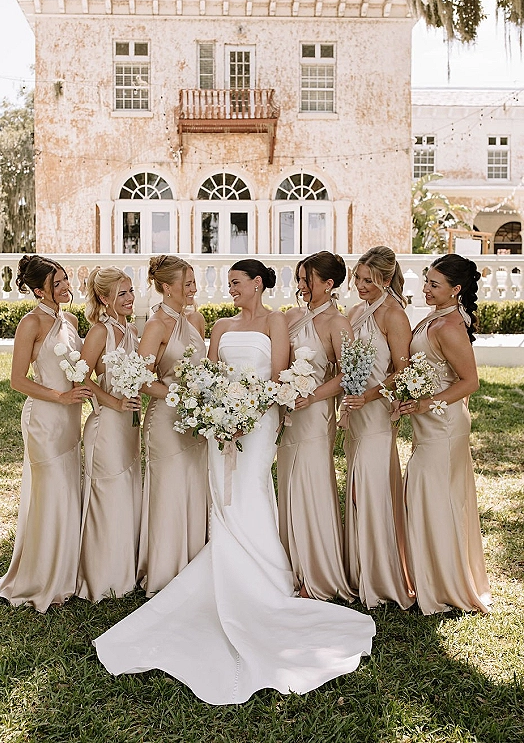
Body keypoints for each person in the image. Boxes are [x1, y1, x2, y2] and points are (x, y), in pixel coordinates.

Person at [94, 259, 375, 706]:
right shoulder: (220, 326)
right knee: (221, 495)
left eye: (236, 283)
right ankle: (225, 566)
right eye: (227, 284)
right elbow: (206, 376)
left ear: (257, 284)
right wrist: (217, 412)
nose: (229, 290)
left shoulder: (278, 321)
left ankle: (265, 577)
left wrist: (249, 412)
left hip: (259, 422)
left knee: (250, 490)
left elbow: (278, 376)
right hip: (217, 423)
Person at [0, 254, 92, 612]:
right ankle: (41, 576)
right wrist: (60, 396)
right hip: (45, 420)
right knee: (51, 493)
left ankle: (66, 573)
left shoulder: (70, 319)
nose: (67, 287)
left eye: (66, 279)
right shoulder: (30, 323)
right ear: (39, 290)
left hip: (70, 420)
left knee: (68, 492)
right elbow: (18, 380)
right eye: (58, 283)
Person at [398, 254, 491, 615]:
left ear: (456, 290)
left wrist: (427, 403)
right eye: (427, 281)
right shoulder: (431, 318)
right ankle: (431, 580)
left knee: (435, 497)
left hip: (445, 424)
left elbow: (471, 382)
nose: (426, 288)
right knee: (429, 497)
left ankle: (448, 586)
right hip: (428, 423)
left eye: (435, 284)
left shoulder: (450, 326)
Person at [277, 251, 354, 602]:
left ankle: (317, 574)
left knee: (311, 487)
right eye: (300, 279)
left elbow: (347, 376)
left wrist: (311, 396)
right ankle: (287, 566)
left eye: (308, 280)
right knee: (288, 485)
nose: (301, 286)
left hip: (316, 414)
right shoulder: (292, 316)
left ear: (329, 283)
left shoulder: (338, 324)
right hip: (288, 416)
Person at [342, 246, 415, 610]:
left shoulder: (393, 315)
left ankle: (381, 579)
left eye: (368, 280)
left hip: (375, 414)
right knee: (356, 489)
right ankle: (359, 572)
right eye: (357, 277)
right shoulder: (355, 312)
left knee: (371, 490)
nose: (360, 285)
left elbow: (402, 371)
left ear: (386, 280)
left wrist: (368, 396)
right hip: (353, 415)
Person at [136, 255, 208, 597]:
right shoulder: (156, 326)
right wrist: (180, 396)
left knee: (193, 490)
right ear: (167, 287)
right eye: (188, 283)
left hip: (195, 424)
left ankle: (193, 567)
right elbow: (141, 380)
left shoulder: (195, 320)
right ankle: (166, 573)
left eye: (193, 282)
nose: (194, 288)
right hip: (166, 420)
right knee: (169, 493)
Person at [76, 267, 142, 602]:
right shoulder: (101, 331)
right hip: (106, 427)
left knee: (127, 493)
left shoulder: (130, 330)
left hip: (129, 428)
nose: (130, 299)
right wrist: (114, 403)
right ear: (104, 298)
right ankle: (102, 577)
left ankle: (124, 572)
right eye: (122, 294)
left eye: (131, 291)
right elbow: (81, 379)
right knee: (109, 495)